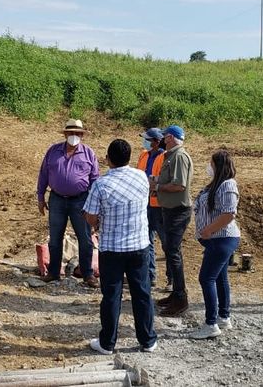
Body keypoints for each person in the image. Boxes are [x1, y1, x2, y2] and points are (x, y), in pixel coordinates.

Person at [83, 139, 158, 354]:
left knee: (111, 296)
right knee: (142, 293)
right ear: (129, 157)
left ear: (108, 159)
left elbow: (90, 216)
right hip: (139, 246)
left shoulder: (101, 184)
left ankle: (107, 343)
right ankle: (148, 340)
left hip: (112, 248)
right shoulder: (141, 177)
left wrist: (98, 222)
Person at [37, 119, 100, 288]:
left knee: (85, 238)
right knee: (55, 238)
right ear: (65, 134)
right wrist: (40, 197)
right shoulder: (53, 151)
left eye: (77, 133)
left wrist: (95, 204)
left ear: (82, 135)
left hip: (81, 200)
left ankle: (87, 274)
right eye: (71, 133)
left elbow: (95, 180)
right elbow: (43, 174)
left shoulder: (89, 153)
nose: (74, 136)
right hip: (57, 199)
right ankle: (53, 272)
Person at [190, 150, 241, 340]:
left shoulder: (228, 185)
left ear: (218, 166)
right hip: (216, 239)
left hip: (221, 239)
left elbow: (229, 214)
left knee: (206, 278)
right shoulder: (216, 184)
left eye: (211, 163)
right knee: (220, 277)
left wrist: (209, 230)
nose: (208, 166)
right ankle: (223, 317)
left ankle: (211, 324)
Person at [152, 125, 193, 317]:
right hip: (170, 210)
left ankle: (180, 298)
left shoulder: (179, 156)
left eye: (164, 136)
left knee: (173, 253)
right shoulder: (172, 156)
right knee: (171, 252)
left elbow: (179, 185)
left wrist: (157, 186)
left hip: (178, 211)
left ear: (170, 138)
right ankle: (176, 294)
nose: (161, 140)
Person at [136, 127, 167, 289]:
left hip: (159, 205)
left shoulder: (165, 157)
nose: (145, 142)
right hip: (144, 203)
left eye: (147, 139)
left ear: (156, 141)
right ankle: (149, 275)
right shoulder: (143, 155)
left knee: (166, 243)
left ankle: (171, 278)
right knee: (146, 241)